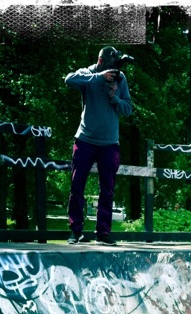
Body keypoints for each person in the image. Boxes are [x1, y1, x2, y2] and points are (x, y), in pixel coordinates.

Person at [65, 47, 134, 245]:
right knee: (77, 186)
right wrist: (99, 77)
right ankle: (75, 231)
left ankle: (102, 233)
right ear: (101, 62)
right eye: (110, 67)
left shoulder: (120, 79)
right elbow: (69, 80)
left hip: (110, 143)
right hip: (85, 139)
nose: (113, 71)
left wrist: (114, 98)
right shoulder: (88, 73)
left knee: (107, 190)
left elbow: (128, 109)